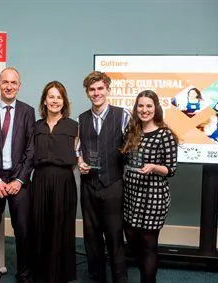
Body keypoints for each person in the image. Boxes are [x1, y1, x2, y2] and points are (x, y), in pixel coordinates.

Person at [0, 67, 35, 283]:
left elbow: (31, 149)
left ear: (19, 86)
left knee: (23, 233)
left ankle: (24, 275)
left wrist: (19, 180)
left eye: (14, 83)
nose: (9, 86)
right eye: (5, 82)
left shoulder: (28, 111)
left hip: (18, 180)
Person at [121, 90, 178, 283]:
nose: (144, 110)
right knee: (131, 237)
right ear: (136, 108)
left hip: (153, 196)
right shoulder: (131, 132)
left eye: (149, 106)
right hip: (131, 195)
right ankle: (144, 271)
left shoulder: (165, 134)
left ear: (156, 108)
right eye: (141, 106)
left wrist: (154, 167)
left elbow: (171, 169)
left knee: (149, 244)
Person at [78, 71, 129, 283]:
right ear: (87, 92)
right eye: (92, 89)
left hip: (113, 184)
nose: (96, 93)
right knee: (91, 236)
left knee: (115, 236)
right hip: (89, 185)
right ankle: (96, 277)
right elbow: (77, 149)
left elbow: (133, 145)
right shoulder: (81, 119)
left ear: (107, 89)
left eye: (100, 88)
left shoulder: (123, 114)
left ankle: (120, 279)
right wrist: (79, 160)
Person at [30, 81, 78, 283]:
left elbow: (80, 155)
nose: (55, 100)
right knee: (39, 225)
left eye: (59, 97)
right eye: (51, 96)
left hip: (64, 181)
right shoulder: (36, 126)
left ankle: (60, 274)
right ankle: (40, 273)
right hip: (39, 180)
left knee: (61, 226)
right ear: (45, 100)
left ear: (64, 101)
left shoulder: (75, 126)